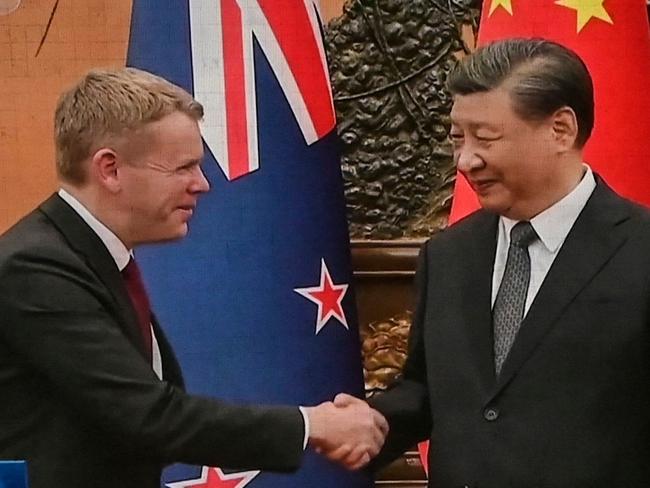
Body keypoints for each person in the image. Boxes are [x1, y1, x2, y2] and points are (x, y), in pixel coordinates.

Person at [0, 67, 387, 488]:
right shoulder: (34, 268)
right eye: (183, 168)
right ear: (109, 169)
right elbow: (147, 415)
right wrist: (312, 425)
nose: (201, 185)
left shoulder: (89, 258)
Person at [336, 37, 650, 487]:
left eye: (485, 138)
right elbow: (430, 389)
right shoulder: (448, 254)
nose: (465, 159)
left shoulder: (640, 250)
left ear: (560, 129)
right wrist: (368, 422)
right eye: (456, 138)